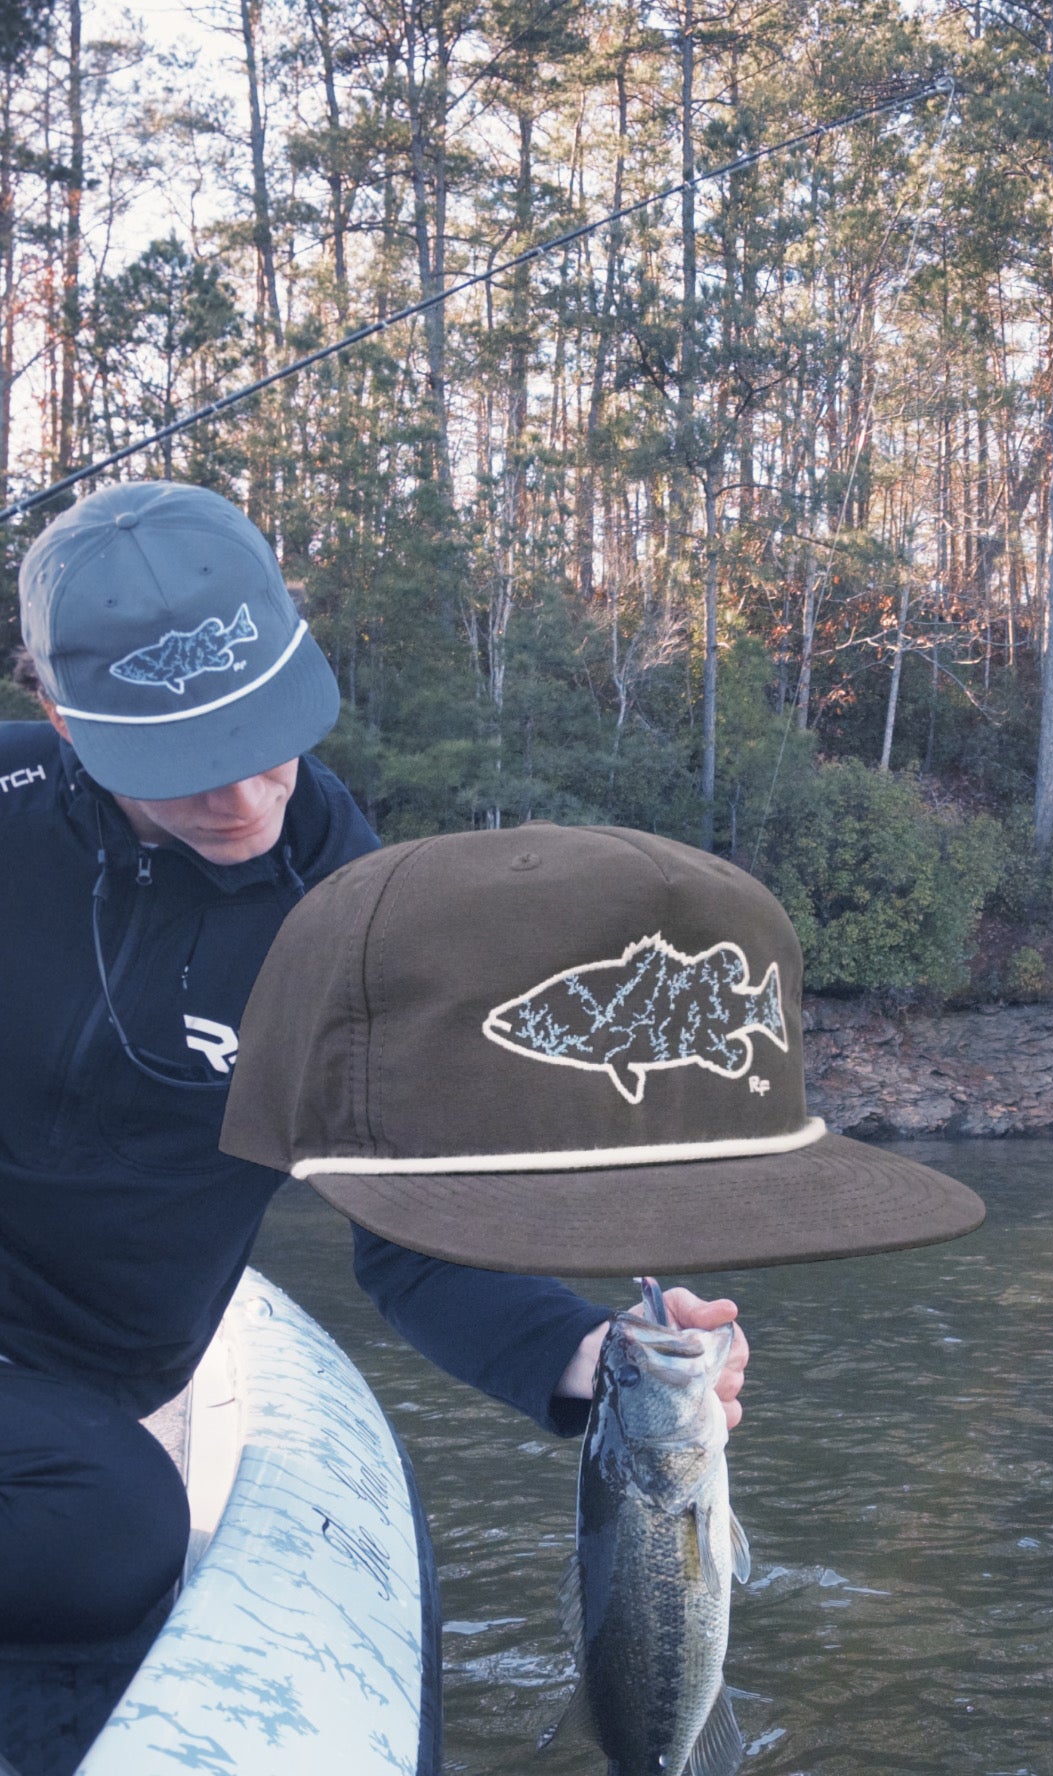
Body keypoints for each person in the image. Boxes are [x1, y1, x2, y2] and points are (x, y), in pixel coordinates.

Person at [0, 479, 747, 1651]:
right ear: (62, 719)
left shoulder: (359, 924)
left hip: (65, 1395)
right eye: (185, 758)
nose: (242, 794)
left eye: (262, 733)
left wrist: (588, 1353)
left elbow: (413, 1235)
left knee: (116, 1534)